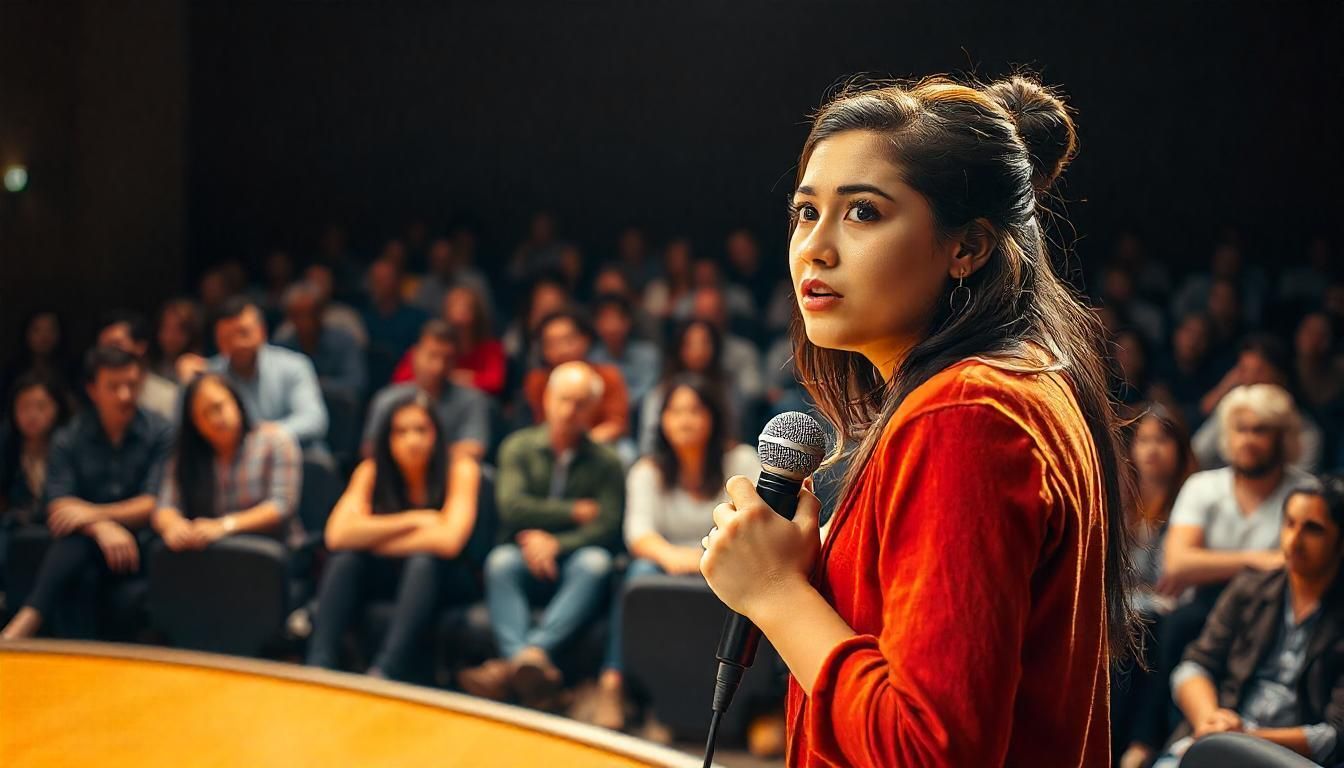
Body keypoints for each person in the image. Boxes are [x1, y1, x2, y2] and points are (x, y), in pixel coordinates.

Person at [697, 75, 1136, 766]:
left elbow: (929, 751)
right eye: (807, 212)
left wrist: (776, 595)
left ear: (969, 247)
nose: (815, 247)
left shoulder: (967, 414)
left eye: (863, 213)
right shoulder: (1019, 381)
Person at [591, 374, 760, 731]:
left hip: (730, 561)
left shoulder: (741, 459)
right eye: (675, 411)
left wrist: (710, 557)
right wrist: (671, 557)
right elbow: (638, 533)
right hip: (670, 563)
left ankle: (763, 703)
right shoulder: (646, 470)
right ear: (662, 420)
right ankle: (615, 684)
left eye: (695, 410)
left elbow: (758, 522)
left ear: (713, 417)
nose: (685, 420)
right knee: (638, 575)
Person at [456, 362, 624, 711]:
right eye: (563, 399)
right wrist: (573, 512)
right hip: (522, 555)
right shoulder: (518, 446)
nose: (569, 410)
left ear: (592, 410)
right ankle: (529, 665)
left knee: (596, 562)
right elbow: (512, 509)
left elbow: (608, 525)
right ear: (546, 399)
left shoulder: (607, 461)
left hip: (575, 561)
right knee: (500, 562)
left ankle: (523, 658)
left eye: (580, 403)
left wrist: (557, 542)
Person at [1150, 475, 1344, 767]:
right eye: (1289, 523)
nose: (1295, 540)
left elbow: (1335, 737)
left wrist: (1246, 738)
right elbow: (1194, 665)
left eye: (1313, 529)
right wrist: (1211, 721)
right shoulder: (1250, 588)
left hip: (1290, 758)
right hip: (1219, 735)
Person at [307, 390, 481, 682]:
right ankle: (318, 664)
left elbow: (448, 542)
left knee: (423, 561)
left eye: (421, 430)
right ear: (387, 439)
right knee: (346, 560)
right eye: (401, 432)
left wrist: (371, 535)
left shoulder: (461, 469)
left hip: (445, 579)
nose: (412, 441)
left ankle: (386, 672)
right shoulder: (371, 470)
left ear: (437, 434)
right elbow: (336, 536)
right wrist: (415, 520)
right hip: (389, 574)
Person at [1, 347, 173, 640]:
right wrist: (100, 527)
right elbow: (58, 504)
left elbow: (152, 503)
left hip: (141, 543)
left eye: (132, 385)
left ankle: (26, 621)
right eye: (114, 386)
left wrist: (94, 515)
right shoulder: (70, 436)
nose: (125, 395)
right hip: (86, 545)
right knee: (76, 553)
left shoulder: (160, 431)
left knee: (77, 543)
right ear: (93, 390)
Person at [151, 374, 302, 549]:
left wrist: (226, 525)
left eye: (218, 407)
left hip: (272, 552)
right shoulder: (188, 453)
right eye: (204, 414)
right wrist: (174, 526)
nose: (216, 419)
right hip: (211, 556)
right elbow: (164, 507)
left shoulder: (275, 440)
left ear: (236, 402)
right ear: (195, 425)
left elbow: (282, 506)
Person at [179, 297, 330, 456]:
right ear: (217, 340)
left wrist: (272, 433)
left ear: (262, 331)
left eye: (244, 333)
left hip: (293, 456)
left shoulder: (294, 365)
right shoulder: (209, 375)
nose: (237, 343)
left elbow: (314, 420)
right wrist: (188, 384)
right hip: (233, 460)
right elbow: (187, 431)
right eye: (227, 337)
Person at [361, 321, 489, 462]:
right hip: (395, 477)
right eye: (432, 356)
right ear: (415, 355)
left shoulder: (472, 399)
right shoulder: (387, 399)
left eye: (448, 359)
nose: (438, 367)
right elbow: (370, 449)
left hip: (451, 475)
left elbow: (474, 448)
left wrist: (419, 456)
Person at [0, 373, 73, 587]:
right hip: (14, 525)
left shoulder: (70, 444)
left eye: (41, 407)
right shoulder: (7, 444)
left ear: (57, 408)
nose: (32, 415)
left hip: (58, 526)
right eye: (23, 407)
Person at [273, 281, 367, 402]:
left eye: (309, 314)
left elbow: (355, 385)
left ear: (321, 314)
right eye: (297, 315)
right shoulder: (282, 348)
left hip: (336, 412)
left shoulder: (344, 342)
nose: (304, 322)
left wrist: (313, 385)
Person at [95, 309, 181, 421]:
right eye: (103, 346)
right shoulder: (94, 396)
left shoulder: (168, 397)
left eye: (115, 344)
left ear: (140, 347)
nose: (108, 352)